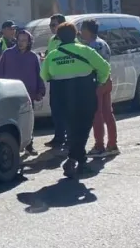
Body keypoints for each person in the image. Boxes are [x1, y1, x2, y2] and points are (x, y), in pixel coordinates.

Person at [40, 22, 111, 177]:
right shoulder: (85, 50)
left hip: (61, 95)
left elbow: (44, 75)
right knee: (83, 127)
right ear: (76, 35)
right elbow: (105, 68)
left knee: (71, 128)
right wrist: (99, 82)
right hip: (84, 92)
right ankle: (75, 159)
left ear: (58, 37)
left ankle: (78, 160)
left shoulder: (52, 55)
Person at [0, 29, 45, 155]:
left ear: (29, 42)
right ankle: (12, 147)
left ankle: (29, 144)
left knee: (28, 121)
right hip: (10, 93)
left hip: (28, 94)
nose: (21, 43)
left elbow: (39, 74)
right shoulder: (8, 54)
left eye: (24, 40)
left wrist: (40, 90)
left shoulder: (33, 57)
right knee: (10, 121)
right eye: (19, 40)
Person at [81, 19, 119, 157]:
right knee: (108, 113)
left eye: (82, 29)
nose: (80, 32)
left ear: (87, 30)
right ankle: (112, 144)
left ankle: (99, 146)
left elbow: (92, 66)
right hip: (107, 80)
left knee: (97, 115)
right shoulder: (103, 43)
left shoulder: (92, 46)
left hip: (96, 82)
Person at [46, 14, 68, 149]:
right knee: (56, 109)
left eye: (53, 25)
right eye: (50, 25)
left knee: (69, 109)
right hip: (55, 79)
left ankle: (70, 137)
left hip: (68, 79)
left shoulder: (70, 39)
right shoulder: (52, 40)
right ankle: (59, 136)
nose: (51, 28)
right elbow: (50, 56)